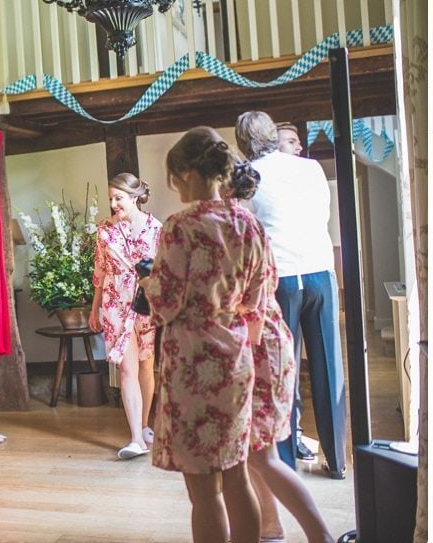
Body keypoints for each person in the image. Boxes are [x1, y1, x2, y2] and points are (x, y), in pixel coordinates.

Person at [142, 127, 266, 543]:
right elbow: (257, 293)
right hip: (234, 355)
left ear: (188, 172)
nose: (173, 185)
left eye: (173, 177)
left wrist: (147, 285)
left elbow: (164, 303)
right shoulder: (249, 223)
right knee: (236, 476)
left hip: (192, 361)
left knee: (203, 489)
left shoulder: (180, 226)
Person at [221, 163, 334, 543]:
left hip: (256, 349)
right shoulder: (244, 223)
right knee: (252, 454)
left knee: (261, 455)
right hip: (259, 344)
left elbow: (247, 304)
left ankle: (320, 535)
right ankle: (270, 526)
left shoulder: (237, 227)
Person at [237, 111, 347, 478]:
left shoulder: (250, 176)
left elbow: (247, 231)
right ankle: (337, 460)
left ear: (243, 142)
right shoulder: (311, 168)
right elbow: (324, 213)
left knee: (280, 369)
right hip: (319, 270)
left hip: (279, 277)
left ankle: (284, 463)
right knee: (329, 367)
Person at [90, 172, 162, 460]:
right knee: (127, 369)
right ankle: (136, 439)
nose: (113, 203)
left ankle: (144, 426)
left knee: (146, 366)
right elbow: (99, 271)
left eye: (118, 197)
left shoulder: (155, 227)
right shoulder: (104, 230)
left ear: (134, 197)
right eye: (110, 198)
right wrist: (94, 308)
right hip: (115, 301)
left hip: (147, 302)